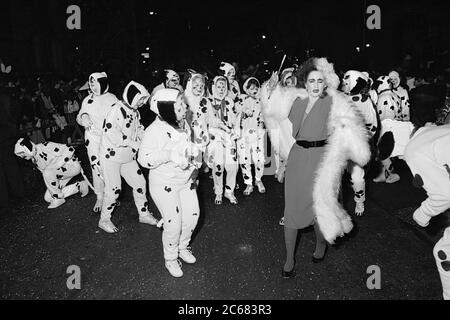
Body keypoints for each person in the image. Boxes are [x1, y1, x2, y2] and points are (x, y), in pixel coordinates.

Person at [260, 57, 370, 278]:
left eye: (320, 80)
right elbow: (272, 112)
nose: (316, 85)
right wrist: (270, 90)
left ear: (326, 82)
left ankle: (320, 246)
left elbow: (352, 127)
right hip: (299, 158)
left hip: (324, 160)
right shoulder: (295, 100)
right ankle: (289, 258)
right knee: (292, 209)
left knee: (323, 206)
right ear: (305, 82)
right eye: (312, 81)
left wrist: (356, 150)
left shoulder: (334, 101)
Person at [138, 88, 202, 278]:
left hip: (185, 180)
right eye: (180, 104)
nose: (185, 107)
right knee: (173, 223)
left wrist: (194, 167)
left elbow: (189, 149)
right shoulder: (154, 130)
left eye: (184, 102)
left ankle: (183, 247)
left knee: (192, 216)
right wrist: (168, 155)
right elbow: (143, 159)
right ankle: (171, 258)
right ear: (166, 109)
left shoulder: (182, 123)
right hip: (164, 184)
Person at [98, 81, 158, 233]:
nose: (143, 103)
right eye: (141, 100)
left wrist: (147, 141)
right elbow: (112, 134)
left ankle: (143, 214)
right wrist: (133, 143)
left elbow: (139, 129)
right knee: (113, 190)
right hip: (111, 157)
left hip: (127, 157)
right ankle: (104, 219)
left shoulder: (134, 111)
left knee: (139, 183)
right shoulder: (116, 110)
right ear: (133, 96)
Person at [403, 125, 450, 300]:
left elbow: (444, 194)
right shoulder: (439, 132)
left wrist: (422, 214)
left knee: (445, 252)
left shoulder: (413, 149)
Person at [77, 72, 118, 212]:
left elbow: (120, 118)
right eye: (91, 83)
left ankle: (112, 195)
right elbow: (79, 115)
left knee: (110, 167)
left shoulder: (112, 98)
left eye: (95, 83)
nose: (93, 86)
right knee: (96, 167)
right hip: (92, 139)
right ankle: (100, 197)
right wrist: (83, 116)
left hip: (108, 139)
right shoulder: (87, 100)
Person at [341, 70, 379, 215]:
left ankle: (359, 202)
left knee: (357, 177)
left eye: (347, 82)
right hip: (339, 146)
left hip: (355, 147)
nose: (344, 84)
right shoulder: (340, 98)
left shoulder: (364, 101)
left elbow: (373, 126)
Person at [14, 137, 89, 209]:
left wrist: (56, 165)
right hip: (59, 174)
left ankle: (59, 198)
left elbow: (70, 149)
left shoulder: (44, 146)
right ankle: (79, 186)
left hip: (71, 166)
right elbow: (48, 175)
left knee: (48, 172)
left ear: (27, 148)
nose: (21, 156)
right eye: (20, 154)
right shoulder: (35, 159)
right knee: (48, 198)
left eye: (22, 153)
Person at [206, 75, 240, 205]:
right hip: (216, 137)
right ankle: (218, 192)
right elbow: (208, 120)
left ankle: (229, 191)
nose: (221, 89)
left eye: (223, 86)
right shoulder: (208, 102)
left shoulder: (230, 101)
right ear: (214, 87)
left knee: (232, 166)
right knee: (218, 166)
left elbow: (235, 118)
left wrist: (236, 130)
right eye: (219, 86)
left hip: (229, 137)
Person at [235, 77, 266, 195]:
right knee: (244, 159)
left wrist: (262, 122)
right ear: (246, 89)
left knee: (259, 159)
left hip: (257, 134)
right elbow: (238, 108)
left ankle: (258, 180)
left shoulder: (261, 100)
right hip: (243, 135)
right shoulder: (241, 98)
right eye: (251, 88)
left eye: (256, 88)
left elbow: (265, 114)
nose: (254, 90)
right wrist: (245, 109)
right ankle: (248, 183)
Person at [184, 71, 211, 178]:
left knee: (197, 165)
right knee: (190, 168)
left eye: (201, 86)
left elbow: (211, 119)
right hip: (188, 140)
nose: (199, 88)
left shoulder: (205, 101)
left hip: (202, 139)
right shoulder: (184, 101)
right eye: (196, 86)